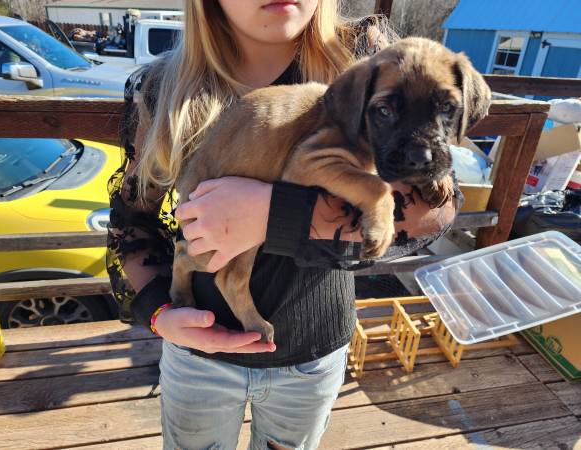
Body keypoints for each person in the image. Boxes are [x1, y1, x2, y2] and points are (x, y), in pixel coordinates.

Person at [106, 1, 463, 449]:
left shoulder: (372, 58)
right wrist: (160, 312)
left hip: (313, 356)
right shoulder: (163, 85)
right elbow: (132, 221)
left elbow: (434, 208)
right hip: (197, 355)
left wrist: (275, 215)